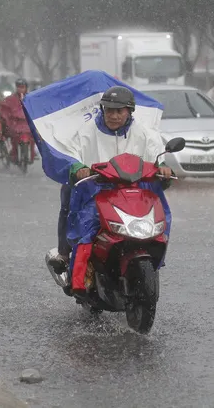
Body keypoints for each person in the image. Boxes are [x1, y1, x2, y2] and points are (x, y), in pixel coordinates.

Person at [51, 86, 173, 295]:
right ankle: (74, 275)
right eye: (109, 110)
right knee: (85, 228)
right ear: (103, 110)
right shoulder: (86, 132)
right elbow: (70, 154)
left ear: (129, 112)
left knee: (158, 220)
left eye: (119, 111)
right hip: (95, 191)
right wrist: (77, 168)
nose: (114, 116)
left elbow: (156, 155)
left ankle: (154, 260)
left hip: (133, 191)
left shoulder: (143, 133)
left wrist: (163, 167)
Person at [0, 78, 30, 162]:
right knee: (11, 136)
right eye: (18, 87)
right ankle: (13, 154)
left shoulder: (30, 98)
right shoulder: (10, 99)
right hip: (15, 124)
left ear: (26, 87)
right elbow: (4, 109)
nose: (20, 89)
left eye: (22, 87)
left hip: (27, 124)